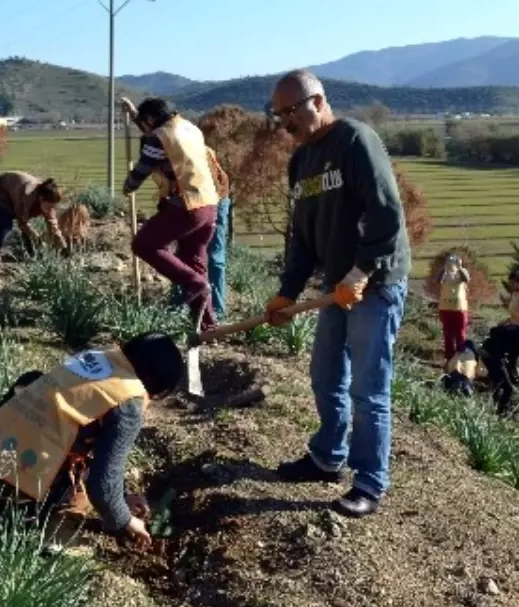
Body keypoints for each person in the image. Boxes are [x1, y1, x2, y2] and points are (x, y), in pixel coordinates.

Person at [262, 70, 411, 518]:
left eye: (292, 110)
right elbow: (302, 238)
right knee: (326, 376)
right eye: (279, 114)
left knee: (369, 389)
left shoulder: (354, 140)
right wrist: (287, 292)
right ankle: (328, 456)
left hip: (376, 282)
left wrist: (361, 272)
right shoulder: (300, 162)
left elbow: (387, 217)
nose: (286, 122)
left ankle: (370, 482)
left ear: (318, 100)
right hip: (336, 287)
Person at [0, 331, 184, 549]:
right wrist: (125, 520)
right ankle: (50, 530)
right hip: (14, 486)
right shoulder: (128, 404)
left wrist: (123, 495)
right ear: (157, 388)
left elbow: (30, 382)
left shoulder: (94, 360)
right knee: (80, 494)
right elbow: (102, 486)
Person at [119, 96, 221, 332]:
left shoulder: (158, 136)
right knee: (194, 262)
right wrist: (135, 115)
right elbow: (158, 137)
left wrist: (129, 186)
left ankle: (193, 283)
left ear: (151, 119)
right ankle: (207, 326)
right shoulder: (189, 128)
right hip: (209, 204)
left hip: (186, 206)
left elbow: (144, 165)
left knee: (144, 245)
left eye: (144, 122)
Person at [170, 146, 233, 321]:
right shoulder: (166, 149)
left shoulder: (195, 153)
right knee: (183, 255)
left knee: (214, 257)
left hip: (214, 198)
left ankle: (216, 310)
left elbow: (208, 186)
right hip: (187, 200)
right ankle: (180, 303)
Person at [0, 171, 66, 281]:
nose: (50, 210)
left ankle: (32, 262)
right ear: (41, 199)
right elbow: (22, 224)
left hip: (12, 194)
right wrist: (38, 241)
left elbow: (53, 227)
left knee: (28, 234)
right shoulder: (26, 197)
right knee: (6, 225)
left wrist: (63, 247)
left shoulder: (48, 202)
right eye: (48, 207)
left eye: (53, 207)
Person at [437, 254, 471, 360]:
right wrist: (444, 268)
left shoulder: (462, 272)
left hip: (459, 308)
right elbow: (438, 280)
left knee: (460, 334)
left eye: (453, 262)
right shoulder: (444, 273)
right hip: (446, 308)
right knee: (448, 335)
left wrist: (460, 267)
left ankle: (461, 358)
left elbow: (466, 279)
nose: (452, 264)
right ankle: (450, 359)